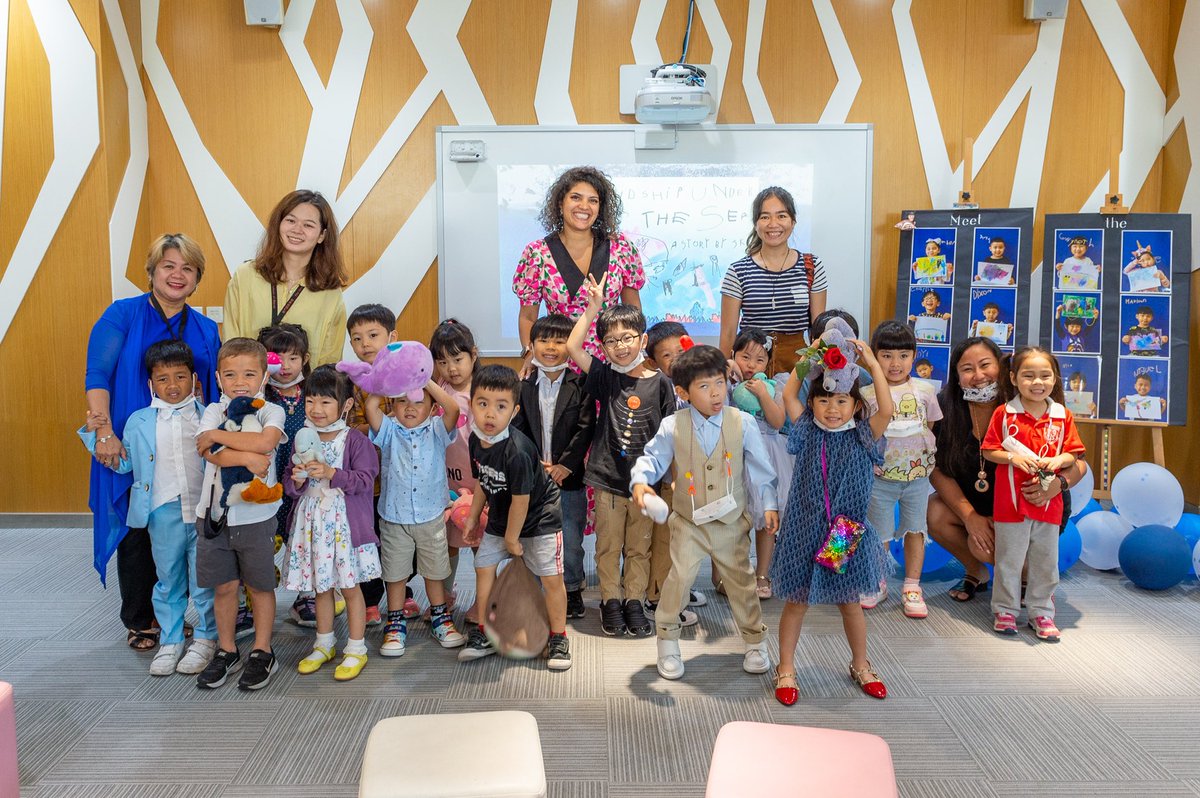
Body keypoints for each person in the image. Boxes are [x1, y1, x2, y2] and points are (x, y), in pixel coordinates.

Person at [85, 233, 221, 651]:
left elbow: (215, 390)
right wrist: (104, 431)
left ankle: (188, 617)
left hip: (187, 445)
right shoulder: (121, 315)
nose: (177, 275)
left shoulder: (205, 327)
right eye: (169, 266)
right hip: (130, 442)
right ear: (152, 271)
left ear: (197, 278)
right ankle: (141, 619)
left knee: (189, 533)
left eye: (187, 268)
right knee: (136, 525)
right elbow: (97, 376)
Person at [631, 345, 778, 681]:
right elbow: (652, 459)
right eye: (704, 386)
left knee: (742, 582)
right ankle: (667, 640)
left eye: (720, 383)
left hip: (730, 523)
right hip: (688, 522)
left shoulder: (743, 422)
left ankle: (755, 641)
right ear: (682, 392)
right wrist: (640, 481)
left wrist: (768, 504)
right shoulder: (673, 425)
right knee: (679, 578)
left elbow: (761, 470)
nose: (715, 393)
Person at [771, 320, 892, 705]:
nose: (832, 408)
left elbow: (887, 408)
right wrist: (811, 354)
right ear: (813, 404)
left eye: (841, 401)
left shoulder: (863, 434)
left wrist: (873, 364)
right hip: (804, 528)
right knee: (797, 601)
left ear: (856, 405)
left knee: (849, 603)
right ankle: (786, 668)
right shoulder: (806, 429)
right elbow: (790, 390)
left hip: (844, 532)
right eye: (823, 400)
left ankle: (861, 663)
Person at [81, 340, 217, 675]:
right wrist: (94, 434)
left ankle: (205, 637)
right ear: (150, 383)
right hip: (162, 512)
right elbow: (123, 464)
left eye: (180, 377)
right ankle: (171, 639)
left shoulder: (210, 416)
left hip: (202, 512)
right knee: (168, 577)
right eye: (163, 379)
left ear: (195, 380)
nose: (173, 386)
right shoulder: (139, 422)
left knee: (205, 579)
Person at [926, 338, 1086, 603]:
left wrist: (1060, 483)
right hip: (981, 505)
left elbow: (1078, 462)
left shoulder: (1034, 401)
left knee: (1006, 555)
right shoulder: (945, 407)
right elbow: (936, 468)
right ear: (956, 376)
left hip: (1030, 505)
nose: (978, 376)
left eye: (985, 365)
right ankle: (976, 572)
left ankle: (1029, 580)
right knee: (935, 511)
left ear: (1004, 369)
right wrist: (970, 517)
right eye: (967, 369)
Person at [567, 276, 676, 637]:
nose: (619, 346)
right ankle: (610, 601)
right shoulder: (604, 376)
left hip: (646, 483)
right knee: (609, 543)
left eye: (628, 338)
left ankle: (634, 601)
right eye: (611, 341)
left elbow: (671, 432)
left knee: (639, 545)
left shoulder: (661, 382)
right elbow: (572, 345)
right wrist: (593, 307)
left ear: (643, 340)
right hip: (607, 476)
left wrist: (669, 475)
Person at [457, 366, 572, 671]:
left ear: (515, 410)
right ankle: (483, 632)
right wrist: (471, 519)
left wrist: (511, 539)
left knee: (551, 578)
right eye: (482, 404)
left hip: (538, 519)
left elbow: (521, 503)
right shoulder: (475, 440)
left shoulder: (518, 451)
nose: (490, 414)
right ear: (471, 404)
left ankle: (558, 636)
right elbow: (483, 480)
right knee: (483, 568)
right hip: (501, 516)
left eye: (501, 406)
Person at [194, 338, 286, 690]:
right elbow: (209, 452)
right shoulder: (214, 410)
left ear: (264, 376)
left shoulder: (270, 410)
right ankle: (227, 648)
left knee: (260, 585)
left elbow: (266, 444)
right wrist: (247, 459)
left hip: (255, 517)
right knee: (225, 587)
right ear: (218, 378)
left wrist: (219, 440)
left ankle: (262, 650)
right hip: (214, 516)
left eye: (249, 374)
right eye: (230, 375)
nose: (240, 382)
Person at [284, 366, 382, 680]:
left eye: (326, 402)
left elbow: (366, 479)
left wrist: (331, 474)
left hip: (344, 527)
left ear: (346, 405)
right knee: (321, 588)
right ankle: (324, 643)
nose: (316, 409)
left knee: (351, 589)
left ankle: (356, 648)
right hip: (312, 524)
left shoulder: (354, 440)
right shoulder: (303, 438)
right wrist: (297, 479)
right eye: (311, 401)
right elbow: (290, 483)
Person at [981, 348, 1084, 641]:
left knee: (1045, 560)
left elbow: (1073, 453)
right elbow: (990, 450)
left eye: (1045, 375)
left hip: (1047, 503)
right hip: (1010, 504)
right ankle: (1004, 610)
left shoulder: (1062, 415)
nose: (1037, 382)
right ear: (1013, 378)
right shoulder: (1004, 413)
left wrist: (1058, 461)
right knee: (1009, 560)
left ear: (1055, 379)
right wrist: (1012, 459)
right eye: (1028, 375)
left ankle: (1041, 612)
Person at [364, 374, 465, 657]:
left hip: (431, 516)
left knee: (434, 571)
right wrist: (390, 377)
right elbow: (371, 408)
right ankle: (394, 622)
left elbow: (453, 409)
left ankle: (440, 618)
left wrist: (423, 378)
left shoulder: (437, 429)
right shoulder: (389, 430)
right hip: (395, 517)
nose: (409, 407)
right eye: (401, 401)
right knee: (395, 574)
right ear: (392, 405)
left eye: (418, 402)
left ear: (432, 408)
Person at [512, 166, 645, 371]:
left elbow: (633, 310)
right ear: (560, 203)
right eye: (576, 197)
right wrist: (529, 354)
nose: (584, 206)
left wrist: (635, 359)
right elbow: (528, 316)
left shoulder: (621, 248)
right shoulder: (537, 253)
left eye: (593, 200)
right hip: (559, 365)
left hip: (613, 364)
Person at [511, 314, 596, 620]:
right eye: (543, 340)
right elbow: (517, 430)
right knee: (534, 537)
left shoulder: (581, 383)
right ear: (531, 346)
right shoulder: (523, 386)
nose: (551, 347)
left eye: (560, 340)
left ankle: (572, 588)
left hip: (569, 479)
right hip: (535, 480)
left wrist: (564, 466)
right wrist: (536, 467)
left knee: (571, 538)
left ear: (571, 346)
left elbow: (585, 428)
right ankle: (536, 588)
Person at [860, 321, 942, 618]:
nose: (895, 363)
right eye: (886, 356)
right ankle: (878, 582)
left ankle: (911, 585)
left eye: (903, 356)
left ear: (914, 355)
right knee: (878, 533)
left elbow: (929, 425)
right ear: (874, 357)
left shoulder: (925, 389)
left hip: (917, 478)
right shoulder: (867, 394)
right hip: (880, 478)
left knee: (915, 529)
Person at [346, 304, 417, 621]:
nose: (366, 344)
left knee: (404, 539)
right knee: (371, 538)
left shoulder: (408, 376)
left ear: (392, 337)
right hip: (370, 482)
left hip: (404, 477)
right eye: (357, 339)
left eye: (373, 335)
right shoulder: (354, 382)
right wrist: (382, 423)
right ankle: (371, 597)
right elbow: (351, 428)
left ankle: (405, 592)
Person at [223, 189, 348, 366]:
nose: (297, 230)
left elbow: (329, 360)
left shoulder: (330, 292)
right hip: (250, 388)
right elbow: (231, 343)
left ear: (322, 235)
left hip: (305, 392)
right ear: (278, 224)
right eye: (290, 220)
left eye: (308, 225)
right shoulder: (245, 276)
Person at [720, 186, 827, 377]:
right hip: (749, 368)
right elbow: (728, 333)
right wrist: (721, 375)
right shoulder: (738, 271)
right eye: (765, 217)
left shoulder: (812, 267)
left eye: (781, 216)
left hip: (798, 369)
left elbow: (819, 330)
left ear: (793, 221)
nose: (773, 224)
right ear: (756, 223)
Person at [643, 321, 708, 615]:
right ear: (652, 361)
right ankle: (658, 596)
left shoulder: (698, 383)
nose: (676, 359)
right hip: (671, 479)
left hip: (693, 478)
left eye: (679, 350)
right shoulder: (658, 387)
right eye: (666, 355)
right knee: (666, 538)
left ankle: (678, 587)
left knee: (687, 540)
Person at [258, 324, 315, 628]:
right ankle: (253, 599)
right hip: (267, 483)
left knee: (304, 537)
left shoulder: (312, 392)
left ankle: (305, 596)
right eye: (276, 358)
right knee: (262, 541)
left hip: (304, 483)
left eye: (293, 358)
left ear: (304, 359)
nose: (285, 366)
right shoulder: (258, 394)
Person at [728, 328, 790, 600]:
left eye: (759, 360)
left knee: (766, 520)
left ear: (768, 364)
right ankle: (737, 573)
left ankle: (763, 574)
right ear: (733, 356)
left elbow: (777, 421)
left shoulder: (776, 387)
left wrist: (764, 394)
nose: (751, 365)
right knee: (736, 520)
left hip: (768, 456)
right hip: (735, 454)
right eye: (745, 357)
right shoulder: (726, 383)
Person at [431, 319, 480, 620]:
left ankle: (485, 599)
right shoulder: (438, 390)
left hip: (477, 484)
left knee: (478, 545)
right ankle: (445, 598)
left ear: (474, 355)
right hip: (443, 482)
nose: (452, 368)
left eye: (458, 359)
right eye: (442, 361)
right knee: (446, 545)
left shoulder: (483, 389)